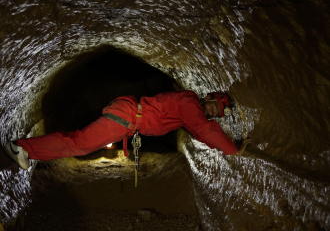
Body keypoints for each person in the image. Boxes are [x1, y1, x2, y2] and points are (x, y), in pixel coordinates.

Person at [4, 90, 251, 170]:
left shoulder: (189, 112)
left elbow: (201, 133)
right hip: (126, 117)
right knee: (78, 144)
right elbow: (205, 129)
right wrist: (233, 150)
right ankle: (21, 147)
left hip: (126, 119)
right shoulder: (189, 103)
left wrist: (225, 146)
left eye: (215, 113)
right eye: (213, 107)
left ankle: (25, 149)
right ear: (207, 98)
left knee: (77, 142)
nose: (211, 113)